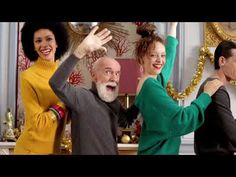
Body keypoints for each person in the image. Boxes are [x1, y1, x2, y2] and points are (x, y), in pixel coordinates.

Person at [134, 22, 223, 155]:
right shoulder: (150, 87)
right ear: (142, 58)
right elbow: (182, 119)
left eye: (162, 55)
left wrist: (173, 27)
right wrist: (206, 94)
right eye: (153, 55)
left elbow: (169, 58)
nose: (160, 60)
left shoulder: (153, 79)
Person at [49, 25, 139, 155]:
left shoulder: (114, 103)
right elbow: (56, 83)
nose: (114, 78)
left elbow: (125, 122)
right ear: (94, 75)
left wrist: (142, 94)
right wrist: (81, 51)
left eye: (117, 73)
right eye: (108, 72)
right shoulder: (81, 97)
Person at [14, 22, 70, 154]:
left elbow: (66, 119)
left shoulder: (63, 74)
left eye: (49, 39)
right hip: (30, 150)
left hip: (53, 150)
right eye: (38, 41)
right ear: (33, 46)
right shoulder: (28, 76)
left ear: (57, 42)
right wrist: (62, 104)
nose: (44, 45)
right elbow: (37, 123)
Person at [194, 40, 236, 155]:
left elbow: (222, 126)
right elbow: (233, 134)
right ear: (222, 61)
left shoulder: (211, 84)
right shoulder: (217, 89)